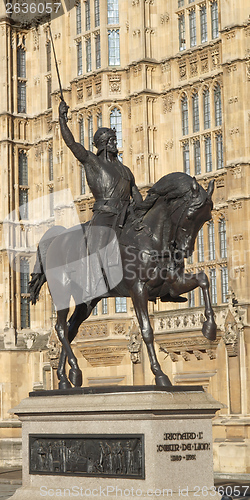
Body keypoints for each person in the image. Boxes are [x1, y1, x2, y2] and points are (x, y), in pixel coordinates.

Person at [59, 100, 144, 298]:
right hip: (105, 215)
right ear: (104, 145)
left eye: (115, 139)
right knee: (98, 243)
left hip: (126, 217)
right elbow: (72, 144)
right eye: (112, 141)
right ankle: (91, 280)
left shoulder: (125, 170)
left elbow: (137, 197)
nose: (116, 143)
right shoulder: (93, 163)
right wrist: (62, 119)